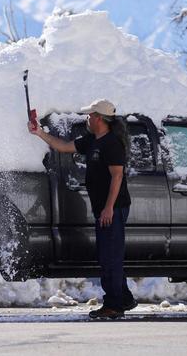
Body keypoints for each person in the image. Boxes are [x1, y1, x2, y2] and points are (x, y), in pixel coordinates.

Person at [28, 98, 136, 319]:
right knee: (109, 255)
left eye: (89, 115)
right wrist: (39, 133)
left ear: (98, 118)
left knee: (110, 257)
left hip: (112, 209)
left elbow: (117, 177)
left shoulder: (112, 143)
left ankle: (114, 305)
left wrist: (109, 208)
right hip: (104, 209)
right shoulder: (93, 140)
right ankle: (124, 298)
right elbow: (64, 146)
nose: (86, 118)